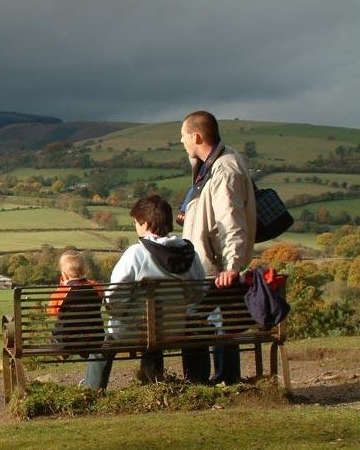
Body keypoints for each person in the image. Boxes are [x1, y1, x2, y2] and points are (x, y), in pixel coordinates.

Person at [81, 195, 205, 389]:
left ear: (145, 224)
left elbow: (115, 296)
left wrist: (121, 313)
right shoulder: (190, 254)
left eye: (136, 223)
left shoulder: (136, 254)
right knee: (179, 332)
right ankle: (195, 384)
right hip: (174, 328)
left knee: (104, 344)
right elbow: (197, 294)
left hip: (132, 330)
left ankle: (91, 390)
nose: (135, 227)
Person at [177, 110, 256, 384]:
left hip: (215, 268)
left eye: (184, 137)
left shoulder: (223, 170)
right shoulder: (215, 165)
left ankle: (216, 379)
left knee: (202, 321)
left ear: (196, 136)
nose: (182, 142)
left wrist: (232, 265)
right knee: (214, 322)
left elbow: (230, 220)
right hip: (211, 265)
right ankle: (221, 378)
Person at [47, 250, 104, 358]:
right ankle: (85, 351)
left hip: (67, 341)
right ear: (85, 270)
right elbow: (101, 295)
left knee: (56, 331)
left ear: (63, 274)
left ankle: (63, 351)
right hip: (95, 339)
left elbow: (51, 311)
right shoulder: (96, 287)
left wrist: (62, 286)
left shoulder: (62, 292)